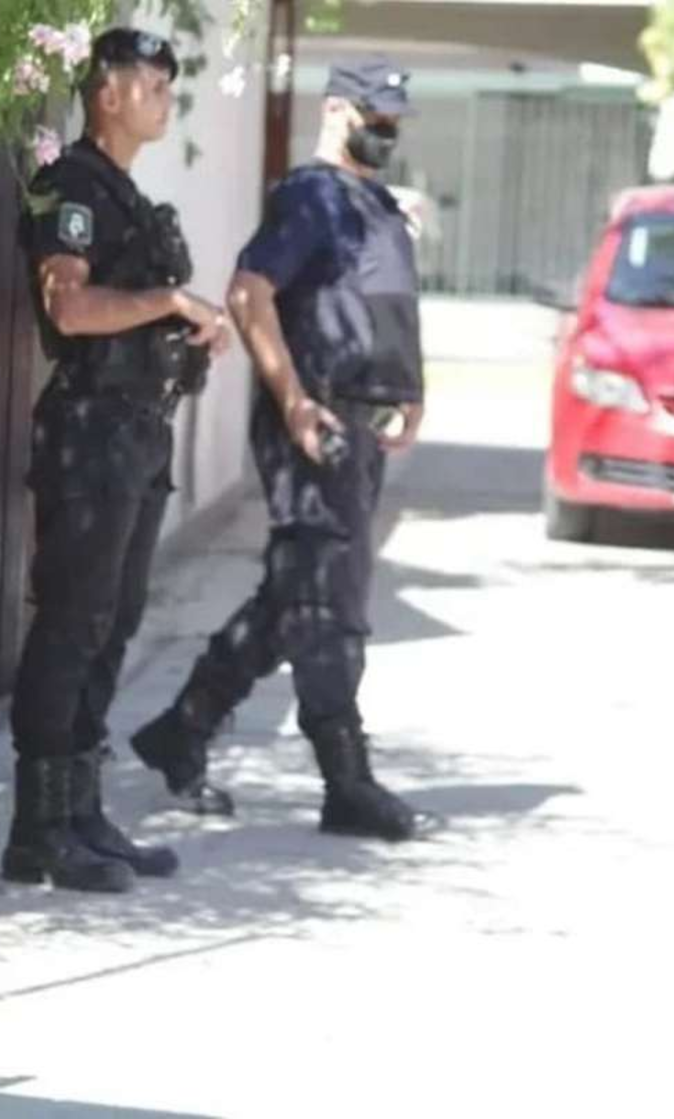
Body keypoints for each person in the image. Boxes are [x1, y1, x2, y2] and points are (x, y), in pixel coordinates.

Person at [130, 56, 433, 841]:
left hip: (359, 425)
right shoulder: (310, 197)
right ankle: (346, 780)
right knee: (326, 604)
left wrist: (409, 393)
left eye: (394, 122)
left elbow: (385, 309)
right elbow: (246, 291)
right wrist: (294, 400)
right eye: (376, 118)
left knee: (292, 599)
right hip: (316, 425)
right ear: (336, 110)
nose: (386, 133)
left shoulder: (373, 204)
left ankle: (181, 730)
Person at [2, 27, 232, 894]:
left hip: (137, 434)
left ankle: (81, 810)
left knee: (115, 618)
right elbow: (69, 307)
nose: (164, 99)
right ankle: (36, 830)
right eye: (153, 86)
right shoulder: (71, 187)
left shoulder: (128, 197)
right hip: (89, 435)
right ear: (107, 92)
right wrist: (167, 298)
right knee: (70, 622)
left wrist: (191, 329)